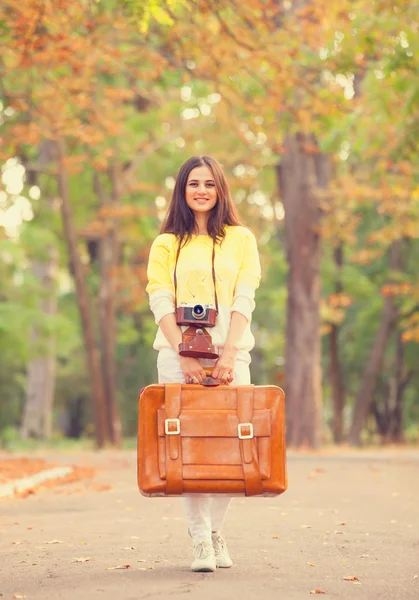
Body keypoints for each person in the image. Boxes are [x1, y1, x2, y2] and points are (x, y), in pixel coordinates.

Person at [145, 156, 261, 572]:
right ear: (182, 189)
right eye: (193, 183)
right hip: (177, 357)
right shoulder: (166, 244)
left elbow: (245, 296)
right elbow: (158, 298)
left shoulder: (241, 239)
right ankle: (199, 541)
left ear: (220, 190)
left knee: (230, 447)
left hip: (233, 354)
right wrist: (184, 354)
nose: (201, 190)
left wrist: (229, 353)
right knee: (188, 448)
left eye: (209, 184)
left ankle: (215, 530)